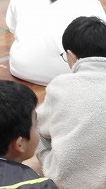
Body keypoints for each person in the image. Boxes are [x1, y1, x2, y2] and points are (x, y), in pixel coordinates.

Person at [36, 16, 106, 189]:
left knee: (36, 129)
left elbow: (38, 126)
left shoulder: (61, 85)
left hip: (65, 183)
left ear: (71, 55)